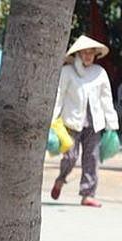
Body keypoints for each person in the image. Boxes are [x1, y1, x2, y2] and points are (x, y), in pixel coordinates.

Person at [51, 35, 118, 208]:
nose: (88, 56)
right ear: (78, 54)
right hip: (71, 121)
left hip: (94, 123)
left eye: (91, 53)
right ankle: (61, 179)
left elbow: (106, 99)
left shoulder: (99, 73)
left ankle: (88, 194)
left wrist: (112, 124)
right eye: (84, 53)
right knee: (70, 157)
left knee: (92, 158)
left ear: (95, 55)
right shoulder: (67, 72)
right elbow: (59, 95)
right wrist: (52, 119)